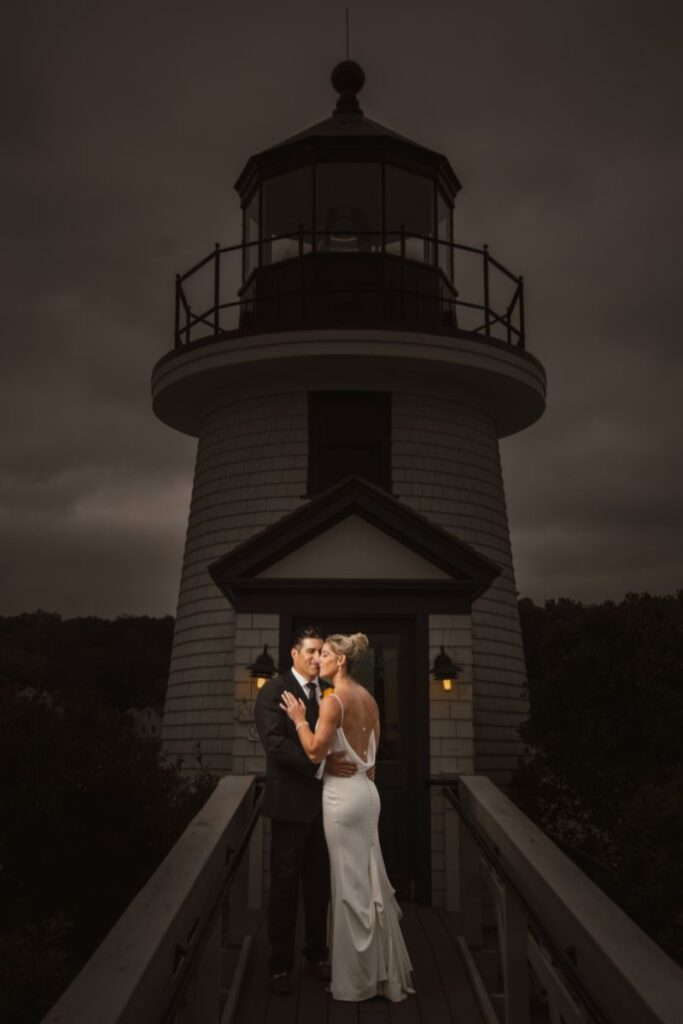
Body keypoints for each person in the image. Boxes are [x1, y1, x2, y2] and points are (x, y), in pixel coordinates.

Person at [280, 632, 415, 1002]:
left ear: (341, 661)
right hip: (368, 794)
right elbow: (370, 757)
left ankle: (356, 981)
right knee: (368, 881)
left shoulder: (332, 701)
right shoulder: (369, 699)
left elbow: (312, 752)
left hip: (342, 800)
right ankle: (377, 973)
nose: (318, 659)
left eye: (324, 654)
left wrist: (296, 718)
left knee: (348, 888)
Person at [254, 626, 357, 995]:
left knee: (318, 885)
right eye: (311, 651)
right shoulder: (273, 690)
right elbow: (275, 744)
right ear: (294, 653)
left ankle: (316, 955)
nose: (317, 659)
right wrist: (321, 766)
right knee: (284, 888)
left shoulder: (327, 693)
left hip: (326, 807)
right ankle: (281, 966)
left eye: (321, 652)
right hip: (290, 807)